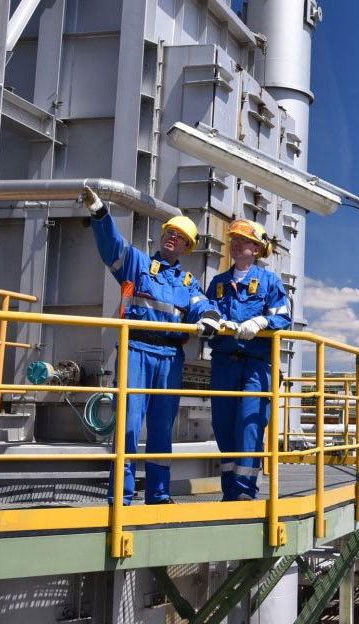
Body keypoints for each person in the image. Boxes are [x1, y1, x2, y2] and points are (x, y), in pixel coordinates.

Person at [80, 187, 221, 505]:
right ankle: (122, 495)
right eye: (170, 232)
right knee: (128, 426)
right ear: (163, 237)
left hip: (170, 358)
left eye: (180, 237)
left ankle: (158, 493)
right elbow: (111, 247)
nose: (173, 238)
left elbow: (202, 305)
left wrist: (210, 318)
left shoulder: (187, 283)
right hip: (136, 353)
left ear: (187, 247)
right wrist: (101, 213)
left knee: (161, 429)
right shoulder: (138, 265)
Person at [206, 219, 291, 501]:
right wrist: (206, 321)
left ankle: (244, 492)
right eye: (233, 240)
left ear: (256, 248)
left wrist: (260, 321)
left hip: (257, 365)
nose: (235, 244)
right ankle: (229, 490)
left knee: (249, 425)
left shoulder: (269, 282)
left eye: (242, 240)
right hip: (224, 362)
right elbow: (208, 313)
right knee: (223, 424)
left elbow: (283, 317)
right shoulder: (218, 284)